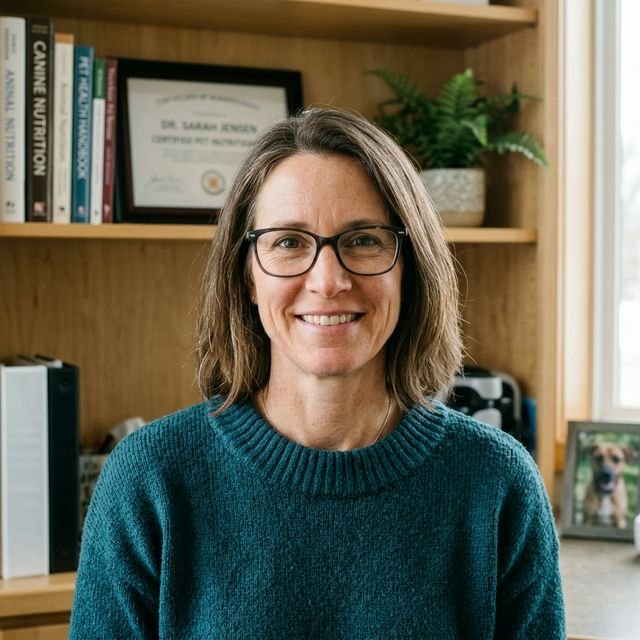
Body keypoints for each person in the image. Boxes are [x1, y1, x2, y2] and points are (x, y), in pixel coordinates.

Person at [69, 107, 565, 638]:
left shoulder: (497, 482)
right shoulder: (149, 480)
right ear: (246, 276)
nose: (328, 280)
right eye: (288, 242)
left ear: (410, 267)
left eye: (364, 239)